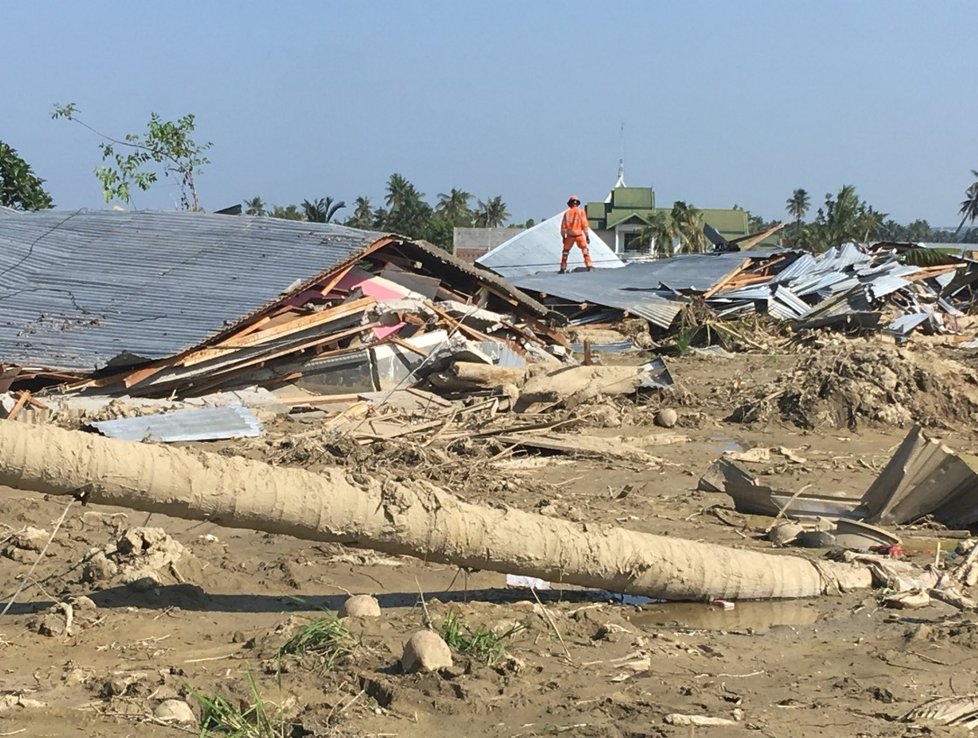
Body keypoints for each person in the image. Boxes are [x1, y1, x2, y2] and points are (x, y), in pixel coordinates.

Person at [559, 195, 593, 273]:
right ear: (577, 203)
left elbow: (563, 227)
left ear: (570, 204)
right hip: (579, 235)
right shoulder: (581, 212)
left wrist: (563, 237)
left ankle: (563, 268)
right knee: (585, 251)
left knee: (565, 252)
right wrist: (587, 236)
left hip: (570, 236)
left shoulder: (567, 213)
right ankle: (589, 266)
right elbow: (584, 225)